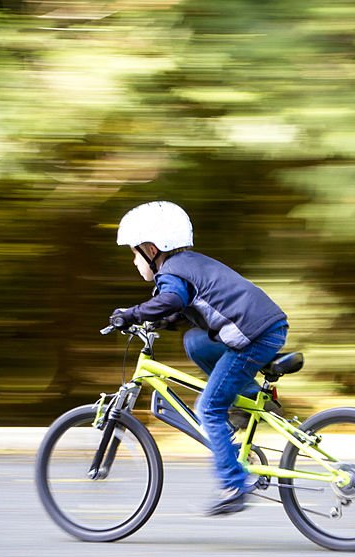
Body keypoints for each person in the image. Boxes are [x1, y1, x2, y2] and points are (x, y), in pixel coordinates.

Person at [110, 200, 288, 516]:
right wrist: (162, 320)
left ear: (152, 249)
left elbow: (173, 299)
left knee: (208, 407)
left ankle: (234, 484)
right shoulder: (189, 264)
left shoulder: (172, 274)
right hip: (263, 328)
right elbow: (190, 305)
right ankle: (247, 401)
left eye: (134, 253)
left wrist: (131, 314)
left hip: (253, 337)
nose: (134, 261)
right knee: (195, 342)